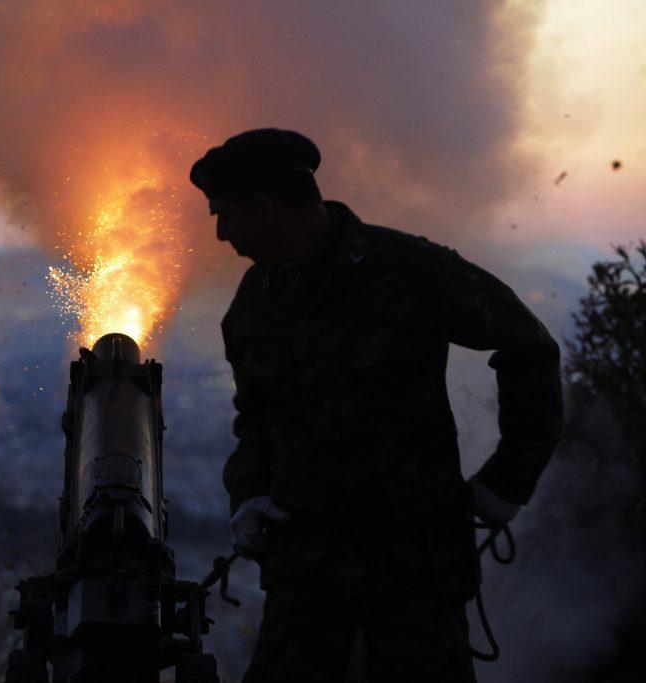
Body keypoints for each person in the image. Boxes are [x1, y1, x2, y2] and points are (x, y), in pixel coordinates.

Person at [189, 129, 563, 682]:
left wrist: (507, 482)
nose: (221, 234)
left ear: (265, 208)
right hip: (306, 576)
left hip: (414, 573)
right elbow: (257, 423)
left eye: (225, 215)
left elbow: (528, 346)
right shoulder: (254, 305)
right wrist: (249, 495)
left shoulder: (411, 271)